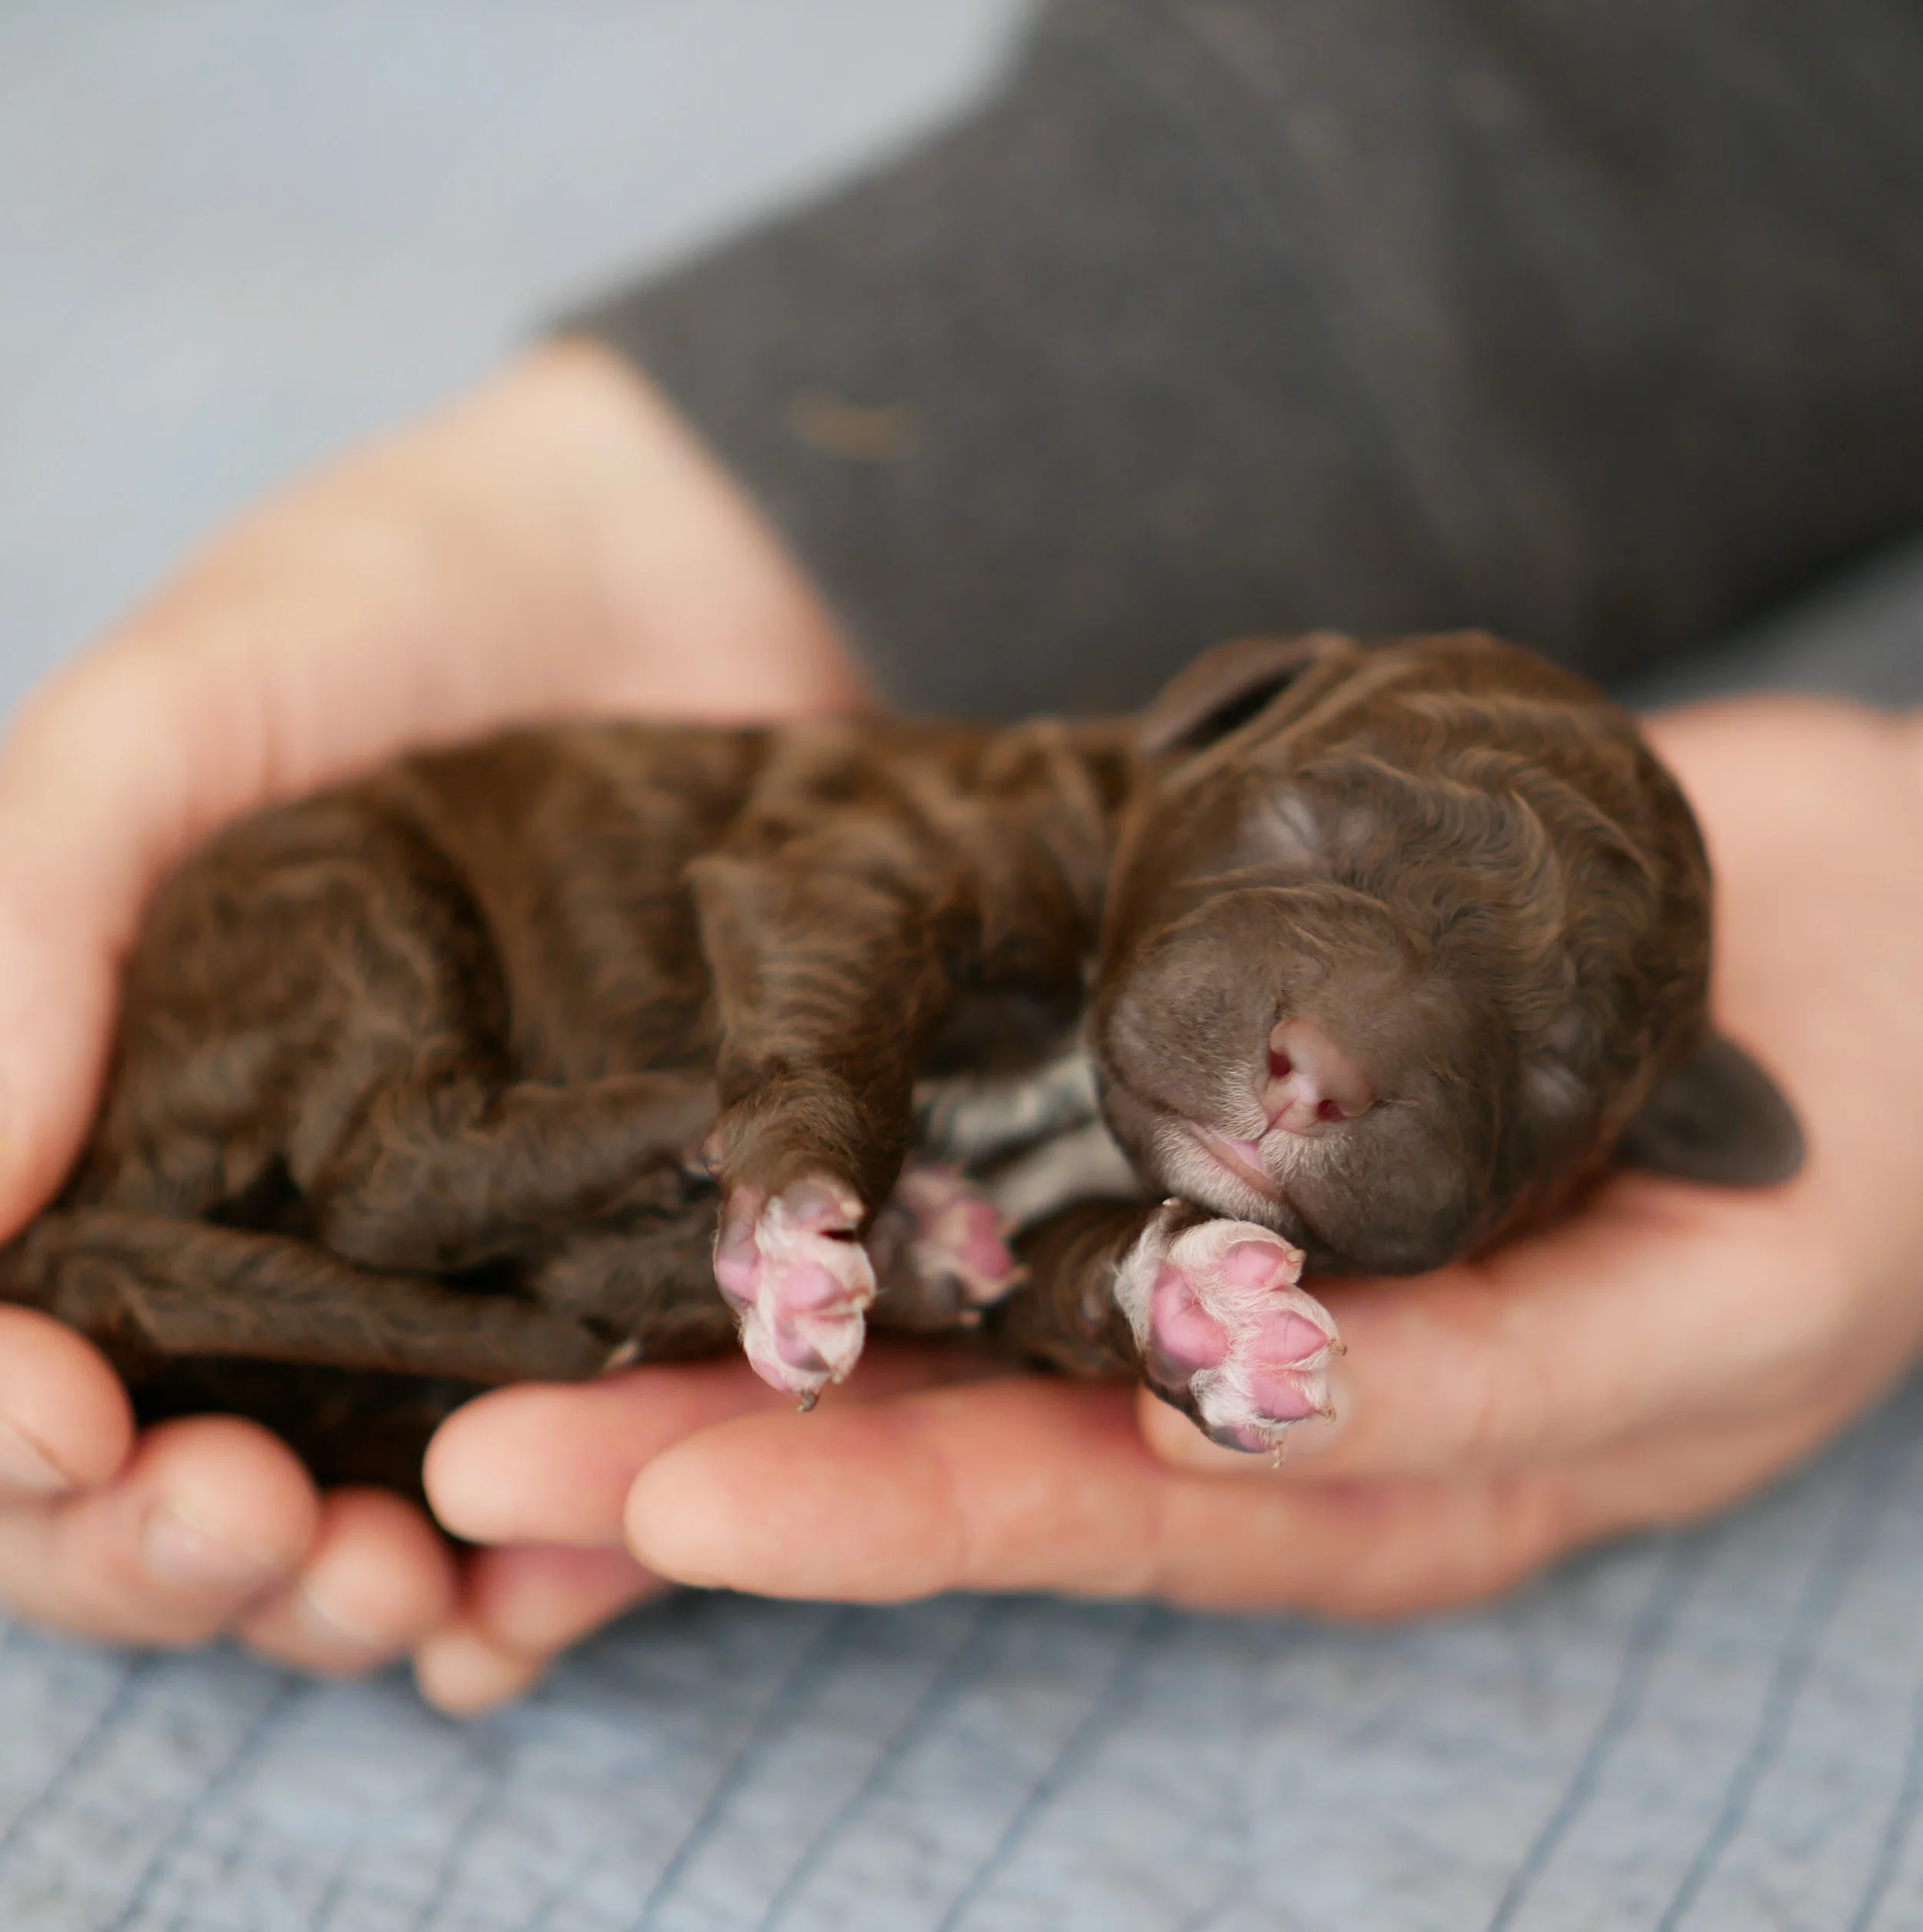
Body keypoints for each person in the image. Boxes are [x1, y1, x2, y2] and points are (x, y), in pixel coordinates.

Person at [2, 0, 1921, 1715]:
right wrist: (800, 1145)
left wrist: (1140, 1307)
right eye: (1311, 836)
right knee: (412, 1170)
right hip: (413, 930)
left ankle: (582, 1275)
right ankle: (578, 1236)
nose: (1327, 1055)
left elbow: (1018, 1277)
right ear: (1210, 724)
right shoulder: (1038, 827)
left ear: (1664, 1122)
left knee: (921, 1284)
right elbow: (816, 896)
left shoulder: (1204, 1107)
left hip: (591, 1198)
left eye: (1552, 1051)